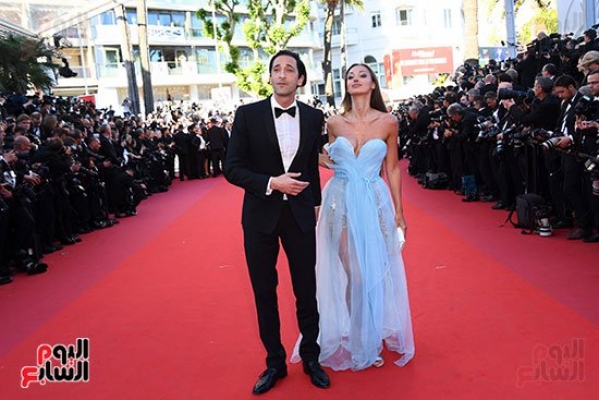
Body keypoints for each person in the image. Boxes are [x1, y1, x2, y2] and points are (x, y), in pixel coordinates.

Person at [294, 63, 414, 371]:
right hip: (341, 199)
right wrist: (322, 160)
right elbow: (324, 158)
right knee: (355, 273)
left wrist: (399, 211)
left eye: (362, 75)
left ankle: (368, 334)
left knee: (371, 270)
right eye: (350, 76)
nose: (355, 80)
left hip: (373, 201)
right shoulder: (334, 122)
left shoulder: (388, 122)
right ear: (345, 85)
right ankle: (362, 341)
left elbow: (392, 168)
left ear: (373, 83)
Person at [223, 49, 330, 395]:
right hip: (259, 216)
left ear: (300, 78)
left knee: (306, 290)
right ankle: (275, 362)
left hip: (300, 215)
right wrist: (272, 183)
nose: (282, 74)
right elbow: (231, 168)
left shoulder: (313, 117)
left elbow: (311, 167)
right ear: (270, 77)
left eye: (289, 69)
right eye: (276, 69)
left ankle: (311, 357)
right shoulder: (247, 115)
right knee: (263, 290)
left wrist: (315, 203)